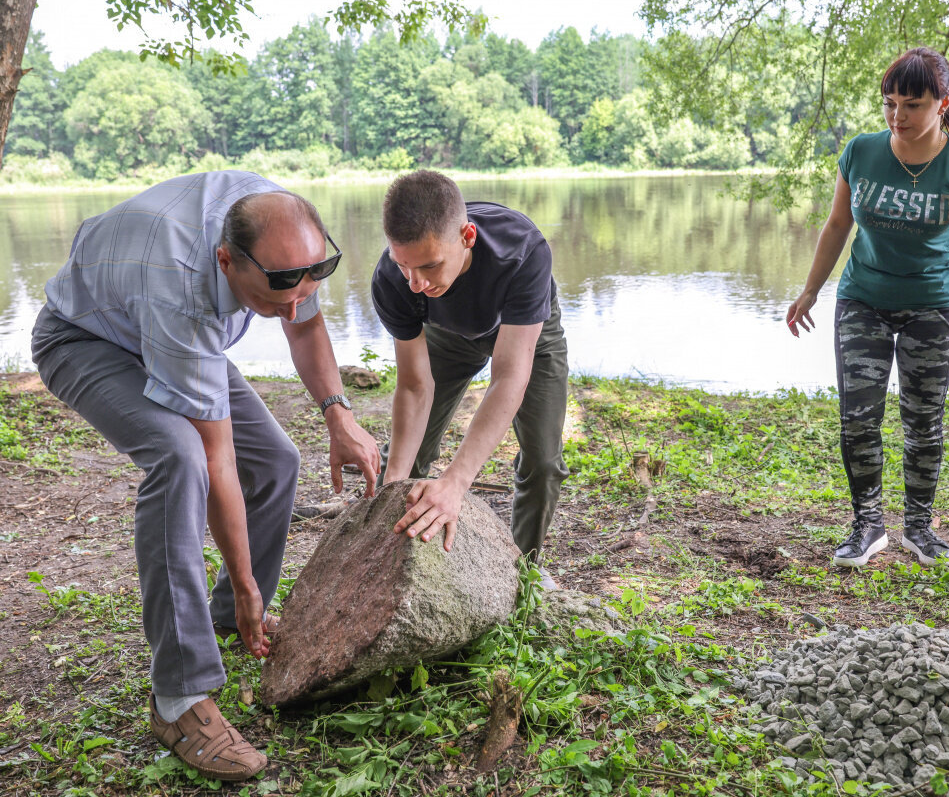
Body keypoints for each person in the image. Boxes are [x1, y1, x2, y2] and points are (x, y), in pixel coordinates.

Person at [30, 170, 381, 781]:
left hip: (155, 322)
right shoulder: (182, 283)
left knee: (276, 460)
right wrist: (248, 582)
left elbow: (304, 324)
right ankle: (179, 696)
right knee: (179, 457)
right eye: (278, 286)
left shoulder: (286, 240)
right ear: (227, 260)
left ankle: (223, 622)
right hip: (85, 340)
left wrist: (339, 416)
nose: (296, 296)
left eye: (311, 279)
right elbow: (216, 456)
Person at [785, 48, 949, 569]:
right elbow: (838, 225)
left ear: (942, 103)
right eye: (889, 103)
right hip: (863, 299)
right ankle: (868, 526)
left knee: (924, 421)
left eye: (912, 104)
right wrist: (811, 289)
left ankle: (920, 529)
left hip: (932, 306)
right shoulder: (860, 152)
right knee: (858, 417)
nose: (897, 116)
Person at [370, 170, 568, 585]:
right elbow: (413, 385)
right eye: (405, 265)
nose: (417, 283)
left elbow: (509, 375)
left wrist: (455, 482)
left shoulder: (522, 251)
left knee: (544, 461)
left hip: (526, 331)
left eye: (430, 265)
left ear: (468, 237)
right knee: (404, 459)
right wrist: (392, 487)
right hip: (448, 334)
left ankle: (523, 568)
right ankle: (390, 551)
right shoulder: (394, 279)